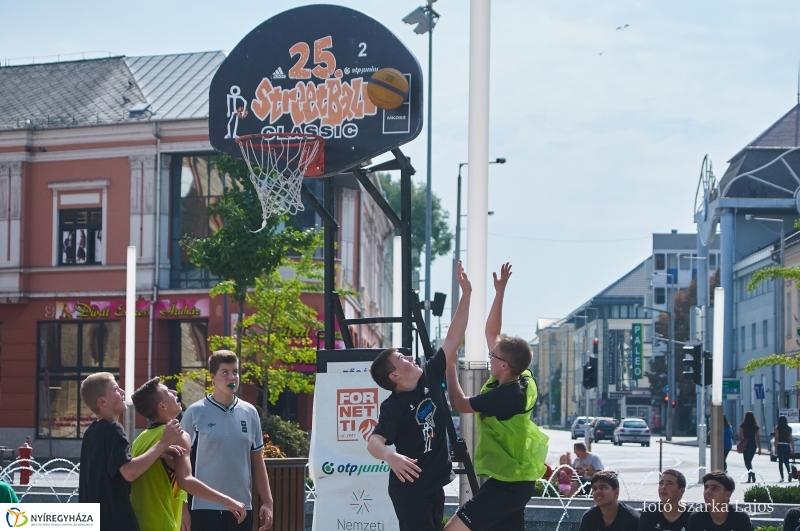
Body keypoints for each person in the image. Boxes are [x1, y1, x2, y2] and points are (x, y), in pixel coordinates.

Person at [442, 263, 550, 531]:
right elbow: (492, 333)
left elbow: (458, 404)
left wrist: (450, 366)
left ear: (503, 365)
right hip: (513, 479)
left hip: (509, 484)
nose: (489, 356)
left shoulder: (506, 396)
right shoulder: (518, 375)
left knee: (453, 529)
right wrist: (500, 291)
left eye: (493, 355)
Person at [367, 261, 472, 531]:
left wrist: (467, 293)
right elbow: (374, 442)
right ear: (394, 376)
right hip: (410, 492)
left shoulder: (429, 376)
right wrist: (391, 457)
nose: (411, 357)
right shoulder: (394, 406)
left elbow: (453, 338)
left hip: (434, 486)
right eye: (402, 358)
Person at [130, 377, 246, 531]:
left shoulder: (140, 439)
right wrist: (227, 500)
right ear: (162, 406)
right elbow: (186, 481)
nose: (174, 392)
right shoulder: (178, 435)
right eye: (168, 391)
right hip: (162, 524)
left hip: (135, 523)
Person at [180, 351, 274, 531]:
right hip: (203, 508)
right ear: (212, 377)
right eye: (225, 372)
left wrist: (268, 502)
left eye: (235, 372)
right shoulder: (195, 412)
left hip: (241, 507)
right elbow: (181, 465)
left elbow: (257, 462)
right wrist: (183, 508)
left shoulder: (250, 412)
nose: (232, 377)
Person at [78, 372, 183, 531]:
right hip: (114, 523)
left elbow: (114, 470)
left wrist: (157, 452)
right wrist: (164, 442)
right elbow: (130, 472)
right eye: (116, 389)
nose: (122, 392)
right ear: (103, 401)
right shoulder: (113, 429)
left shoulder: (91, 432)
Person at [687, 471, 753, 531]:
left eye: (714, 488)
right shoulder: (697, 518)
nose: (707, 492)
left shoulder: (740, 518)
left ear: (727, 495)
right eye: (706, 487)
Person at [738, 411, 761, 483]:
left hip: (746, 445)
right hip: (753, 444)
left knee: (747, 462)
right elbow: (757, 437)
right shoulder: (756, 426)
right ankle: (751, 475)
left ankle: (751, 475)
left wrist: (743, 440)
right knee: (749, 461)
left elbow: (739, 435)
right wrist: (760, 448)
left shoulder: (743, 425)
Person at [774, 415, 796, 482]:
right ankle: (789, 472)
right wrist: (793, 449)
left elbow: (777, 438)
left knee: (780, 462)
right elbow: (791, 439)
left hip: (780, 445)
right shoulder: (789, 428)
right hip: (787, 445)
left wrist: (775, 448)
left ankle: (782, 477)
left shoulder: (777, 428)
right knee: (786, 461)